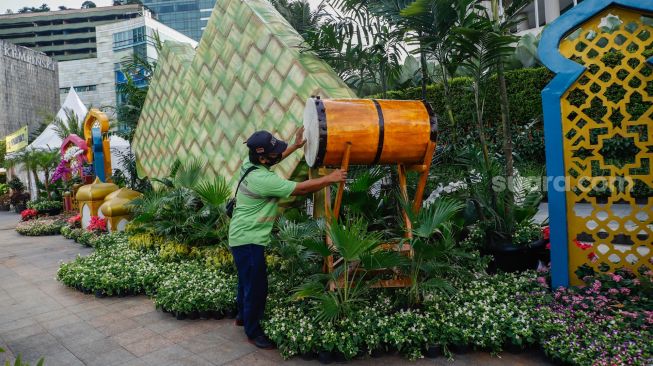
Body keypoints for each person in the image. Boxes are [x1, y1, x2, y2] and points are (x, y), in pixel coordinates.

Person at [228, 127, 346, 349]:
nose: (276, 155)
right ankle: (253, 332)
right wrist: (331, 178)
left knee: (246, 279)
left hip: (240, 236)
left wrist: (296, 145)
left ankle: (242, 316)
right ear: (262, 157)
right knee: (257, 286)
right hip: (248, 239)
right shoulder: (262, 180)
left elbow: (275, 158)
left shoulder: (252, 164)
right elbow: (300, 189)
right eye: (273, 153)